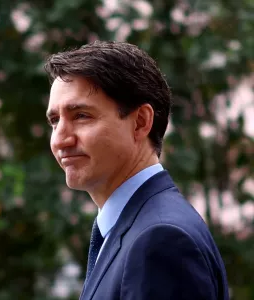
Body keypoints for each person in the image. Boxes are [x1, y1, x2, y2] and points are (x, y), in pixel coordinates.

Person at [44, 41, 229, 300]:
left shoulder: (160, 239)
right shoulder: (137, 227)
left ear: (141, 122)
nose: (60, 139)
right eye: (55, 121)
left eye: (81, 116)